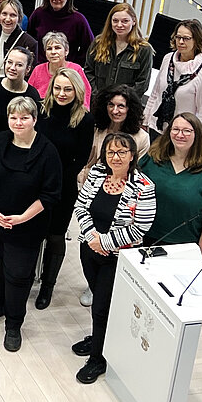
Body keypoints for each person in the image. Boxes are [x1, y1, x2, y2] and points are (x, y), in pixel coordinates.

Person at [0, 97, 61, 352]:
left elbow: (50, 195)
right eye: (13, 117)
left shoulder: (47, 152)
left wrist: (22, 217)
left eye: (24, 118)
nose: (18, 122)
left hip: (27, 226)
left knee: (19, 275)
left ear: (34, 119)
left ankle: (14, 323)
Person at [72, 132, 156, 384]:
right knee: (100, 302)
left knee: (101, 307)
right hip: (90, 249)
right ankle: (100, 338)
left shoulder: (144, 186)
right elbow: (81, 207)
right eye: (110, 152)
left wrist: (105, 243)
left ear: (132, 155)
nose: (115, 157)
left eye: (121, 152)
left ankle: (98, 359)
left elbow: (140, 229)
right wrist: (92, 238)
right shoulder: (97, 174)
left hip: (117, 258)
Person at [34, 69, 95, 309]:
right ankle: (26, 277)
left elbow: (80, 158)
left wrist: (54, 183)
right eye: (57, 88)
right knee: (31, 232)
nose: (61, 93)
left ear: (77, 91)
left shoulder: (85, 119)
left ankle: (47, 286)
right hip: (35, 183)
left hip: (63, 186)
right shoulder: (41, 110)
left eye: (67, 89)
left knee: (55, 236)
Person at [139, 113, 202, 254]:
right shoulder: (152, 158)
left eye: (187, 131)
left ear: (197, 135)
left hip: (182, 246)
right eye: (175, 129)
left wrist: (201, 251)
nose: (180, 135)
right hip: (143, 237)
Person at [143, 20, 202, 132]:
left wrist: (196, 137)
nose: (180, 42)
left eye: (186, 38)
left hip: (180, 133)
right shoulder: (168, 59)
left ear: (197, 40)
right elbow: (155, 93)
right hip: (155, 125)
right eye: (178, 37)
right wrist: (144, 121)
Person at [84, 3, 154, 106]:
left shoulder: (144, 50)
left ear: (134, 21)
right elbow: (88, 71)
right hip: (98, 102)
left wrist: (120, 101)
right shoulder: (98, 43)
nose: (119, 25)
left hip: (125, 105)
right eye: (115, 21)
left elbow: (142, 83)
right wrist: (98, 96)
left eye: (125, 21)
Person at [82, 85, 151, 175]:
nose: (114, 111)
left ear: (130, 108)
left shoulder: (142, 138)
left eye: (121, 106)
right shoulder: (95, 128)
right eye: (111, 105)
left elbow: (136, 171)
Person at [28, 0, 94, 65]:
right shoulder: (39, 13)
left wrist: (74, 65)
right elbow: (29, 39)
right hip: (39, 66)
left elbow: (90, 48)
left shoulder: (79, 20)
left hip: (66, 68)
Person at [0, 48, 41, 133]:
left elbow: (35, 127)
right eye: (9, 62)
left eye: (19, 65)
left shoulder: (32, 95)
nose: (12, 68)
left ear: (28, 69)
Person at [29, 31, 92, 106]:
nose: (53, 52)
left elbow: (85, 93)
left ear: (66, 51)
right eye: (49, 49)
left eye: (57, 48)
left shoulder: (76, 69)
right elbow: (29, 94)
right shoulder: (38, 69)